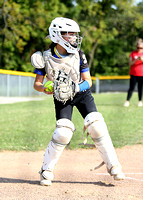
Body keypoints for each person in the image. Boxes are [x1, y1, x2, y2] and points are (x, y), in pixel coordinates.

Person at [31, 17, 125, 186]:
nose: (74, 38)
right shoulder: (44, 58)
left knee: (96, 124)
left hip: (81, 93)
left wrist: (76, 88)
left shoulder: (79, 54)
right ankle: (46, 171)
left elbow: (88, 81)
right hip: (62, 98)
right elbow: (37, 84)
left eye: (75, 34)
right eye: (70, 34)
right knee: (63, 131)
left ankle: (114, 166)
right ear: (57, 35)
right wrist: (45, 87)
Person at [124, 38, 143, 107]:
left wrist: (141, 59)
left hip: (141, 74)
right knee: (131, 88)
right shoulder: (133, 53)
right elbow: (130, 63)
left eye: (141, 48)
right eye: (138, 47)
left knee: (140, 88)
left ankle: (140, 101)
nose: (139, 49)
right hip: (133, 74)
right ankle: (127, 101)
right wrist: (136, 60)